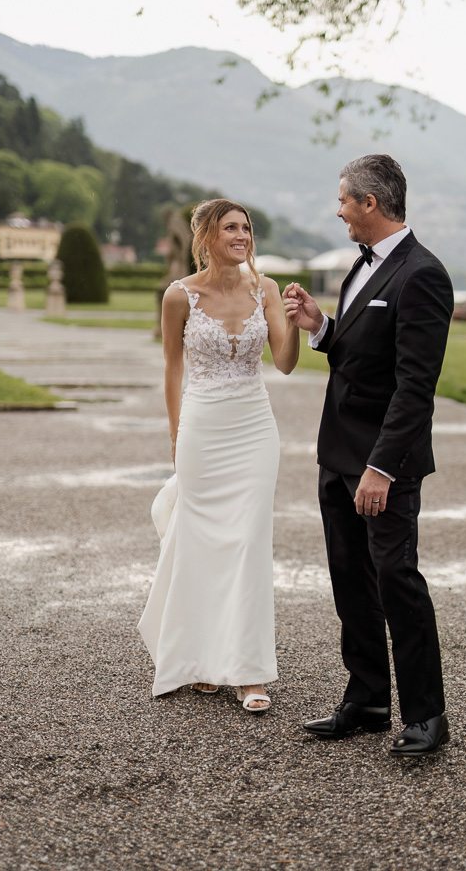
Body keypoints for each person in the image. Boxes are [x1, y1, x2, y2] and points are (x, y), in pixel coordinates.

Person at [283, 154, 453, 755]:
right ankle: (367, 699)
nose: (339, 212)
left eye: (344, 201)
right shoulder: (361, 267)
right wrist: (320, 326)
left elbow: (414, 386)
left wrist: (381, 467)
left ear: (371, 204)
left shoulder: (422, 274)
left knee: (395, 578)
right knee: (349, 578)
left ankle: (427, 715)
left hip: (384, 464)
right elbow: (358, 353)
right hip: (337, 453)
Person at [139, 199, 299, 712]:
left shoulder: (266, 289)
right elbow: (171, 369)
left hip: (254, 427)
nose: (243, 236)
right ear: (206, 235)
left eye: (247, 228)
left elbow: (287, 362)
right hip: (202, 428)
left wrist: (294, 321)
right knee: (203, 542)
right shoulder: (178, 296)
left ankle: (249, 672)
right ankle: (203, 660)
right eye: (231, 227)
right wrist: (174, 433)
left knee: (249, 542)